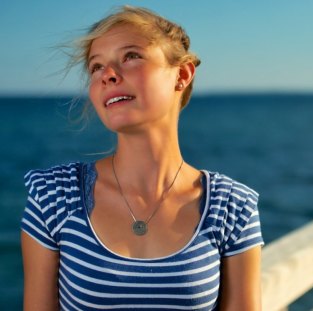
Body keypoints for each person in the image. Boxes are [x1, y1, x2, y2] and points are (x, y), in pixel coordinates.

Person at [20, 6, 264, 311]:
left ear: (182, 74)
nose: (108, 74)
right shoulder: (53, 196)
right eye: (96, 67)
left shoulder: (232, 208)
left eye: (130, 56)